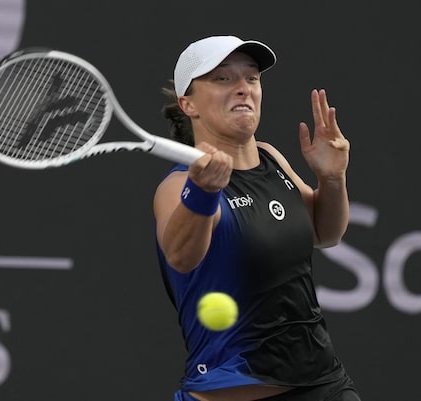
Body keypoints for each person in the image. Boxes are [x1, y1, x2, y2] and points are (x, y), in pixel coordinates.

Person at [153, 35, 361, 401]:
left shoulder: (271, 158)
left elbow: (324, 233)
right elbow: (181, 258)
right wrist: (203, 192)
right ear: (188, 104)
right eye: (222, 78)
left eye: (251, 78)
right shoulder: (178, 186)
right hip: (231, 390)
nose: (243, 88)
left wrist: (332, 179)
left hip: (323, 384)